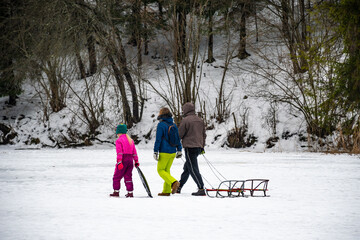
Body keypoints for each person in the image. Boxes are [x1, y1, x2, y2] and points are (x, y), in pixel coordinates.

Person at [177, 102, 207, 196]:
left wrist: (174, 142)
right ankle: (179, 186)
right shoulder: (200, 120)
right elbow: (204, 134)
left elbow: (180, 134)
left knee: (193, 168)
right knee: (188, 168)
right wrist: (202, 146)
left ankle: (201, 188)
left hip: (190, 147)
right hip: (198, 147)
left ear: (186, 110)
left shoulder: (186, 120)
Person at [153, 107, 182, 196]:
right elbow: (178, 138)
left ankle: (174, 182)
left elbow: (158, 139)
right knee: (167, 170)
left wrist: (155, 151)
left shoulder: (161, 125)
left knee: (160, 170)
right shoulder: (173, 124)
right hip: (173, 151)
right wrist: (179, 149)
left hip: (164, 151)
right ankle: (166, 191)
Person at [110, 124, 139, 198]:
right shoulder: (130, 140)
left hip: (123, 160)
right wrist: (136, 161)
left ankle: (116, 192)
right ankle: (130, 192)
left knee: (116, 177)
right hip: (130, 161)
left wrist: (119, 162)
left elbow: (119, 152)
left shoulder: (119, 140)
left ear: (119, 132)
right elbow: (134, 152)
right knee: (128, 176)